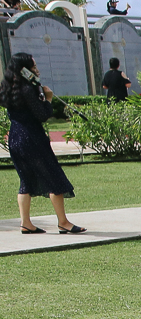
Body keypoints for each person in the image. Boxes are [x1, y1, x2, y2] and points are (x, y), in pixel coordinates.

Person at [0, 53, 84, 234]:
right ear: (24, 70)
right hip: (32, 137)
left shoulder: (7, 88)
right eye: (33, 67)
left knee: (26, 180)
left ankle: (26, 223)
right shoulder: (27, 89)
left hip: (15, 137)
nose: (36, 70)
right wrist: (48, 99)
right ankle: (63, 222)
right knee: (54, 177)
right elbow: (42, 115)